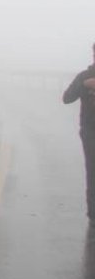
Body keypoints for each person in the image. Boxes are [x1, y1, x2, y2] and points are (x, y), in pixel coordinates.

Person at [62, 42, 95, 228]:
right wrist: (83, 85)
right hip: (90, 131)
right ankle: (93, 213)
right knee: (93, 170)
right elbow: (67, 98)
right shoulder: (84, 76)